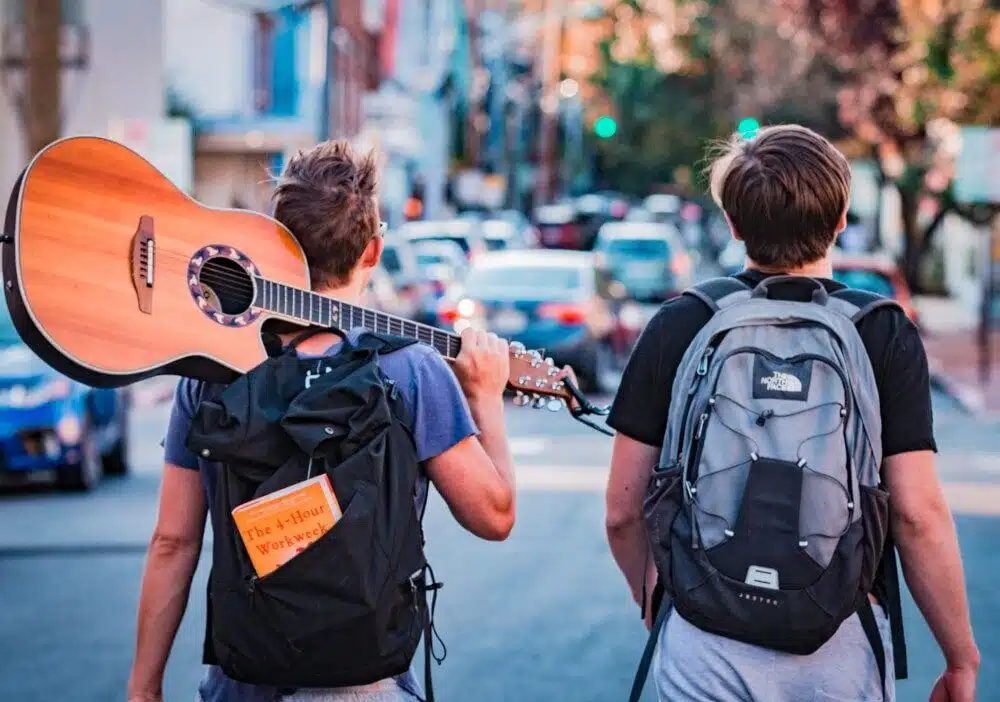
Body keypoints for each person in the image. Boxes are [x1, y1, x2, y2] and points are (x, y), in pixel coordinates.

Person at [127, 141, 518, 702]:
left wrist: (144, 688)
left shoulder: (212, 370)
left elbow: (173, 541)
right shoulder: (409, 370)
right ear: (374, 251)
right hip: (366, 685)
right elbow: (494, 516)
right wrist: (485, 398)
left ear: (273, 241)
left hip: (242, 681)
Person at [605, 125, 979, 701]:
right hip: (840, 637)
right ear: (840, 219)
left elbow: (623, 515)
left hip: (706, 640)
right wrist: (960, 658)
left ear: (733, 224)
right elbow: (918, 515)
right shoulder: (880, 332)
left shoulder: (681, 324)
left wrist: (656, 600)